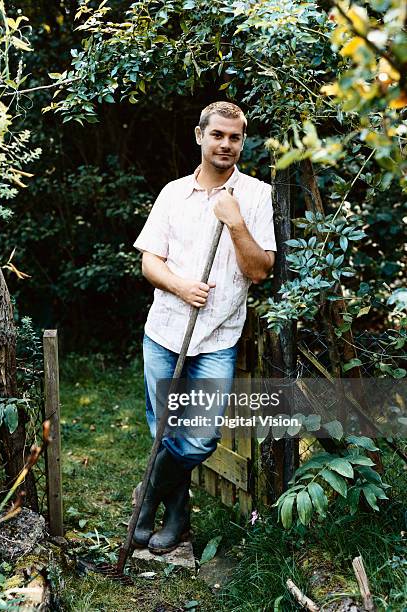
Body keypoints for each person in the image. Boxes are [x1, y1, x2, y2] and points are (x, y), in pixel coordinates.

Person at [132, 101, 276, 554]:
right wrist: (180, 286)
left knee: (200, 436)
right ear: (200, 136)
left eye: (235, 137)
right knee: (166, 432)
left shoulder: (255, 196)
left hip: (217, 337)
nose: (226, 145)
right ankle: (177, 521)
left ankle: (148, 495)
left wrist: (234, 223)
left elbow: (260, 270)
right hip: (165, 331)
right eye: (218, 135)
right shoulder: (173, 194)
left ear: (242, 142)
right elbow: (149, 261)